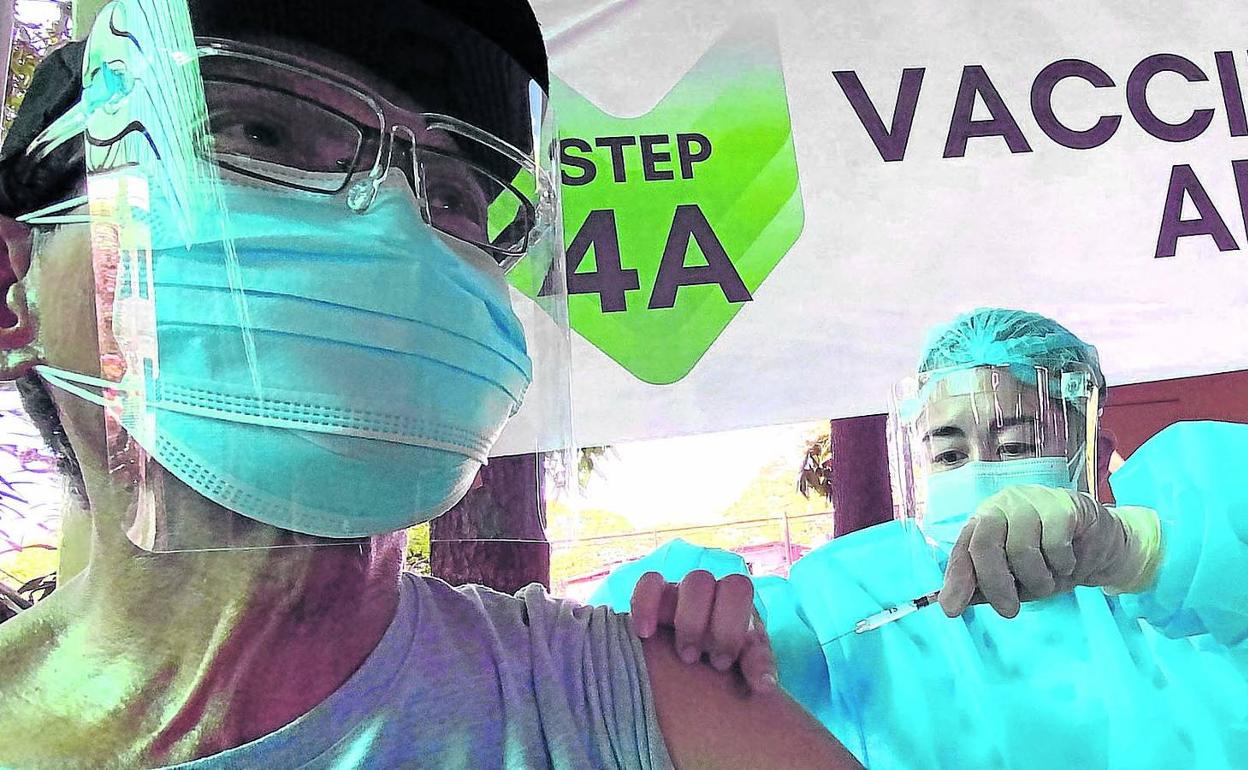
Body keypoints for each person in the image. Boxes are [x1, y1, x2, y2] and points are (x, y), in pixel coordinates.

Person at [0, 1, 864, 767]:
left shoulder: (619, 701)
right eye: (259, 134)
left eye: (449, 194)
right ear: (14, 284)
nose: (395, 223)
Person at [623, 308, 1248, 769]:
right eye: (949, 454)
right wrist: (707, 619)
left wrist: (1139, 551)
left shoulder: (1177, 572)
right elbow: (609, 662)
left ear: (1095, 452)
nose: (981, 473)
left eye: (1017, 446)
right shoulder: (849, 593)